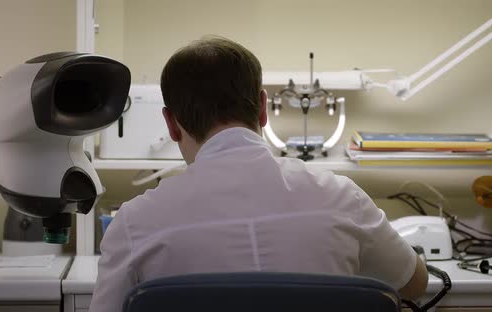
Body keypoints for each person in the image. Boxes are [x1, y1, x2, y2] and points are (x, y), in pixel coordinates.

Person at [89, 36, 428, 312]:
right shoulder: (342, 197)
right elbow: (414, 284)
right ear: (264, 109)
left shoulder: (134, 223)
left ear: (171, 124)